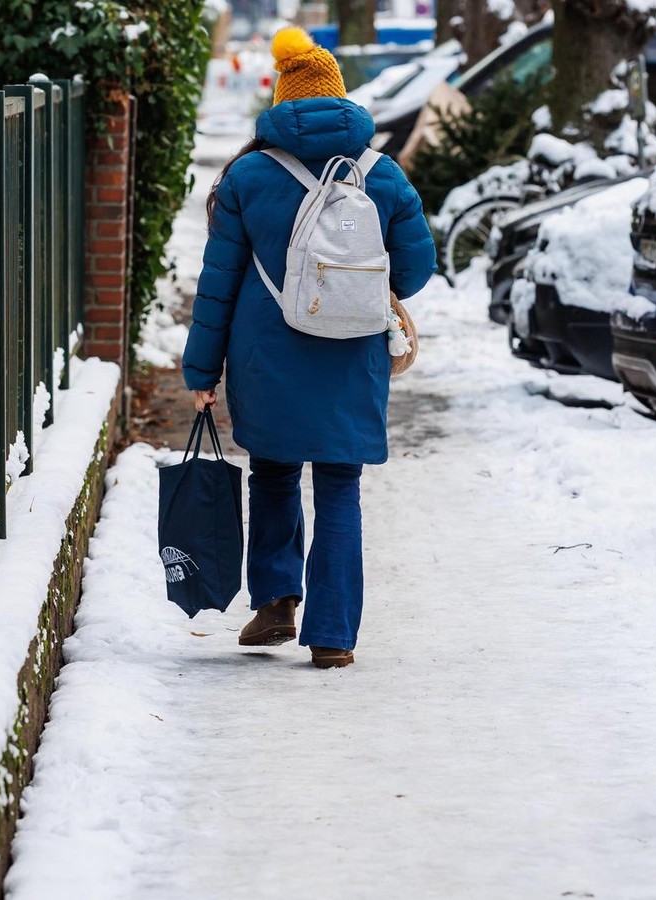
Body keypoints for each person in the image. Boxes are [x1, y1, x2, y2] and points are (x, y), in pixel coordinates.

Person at [182, 26, 436, 669]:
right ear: (342, 102)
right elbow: (415, 269)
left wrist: (202, 368)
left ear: (280, 101)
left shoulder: (247, 176)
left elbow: (218, 283)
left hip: (265, 354)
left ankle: (274, 603)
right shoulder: (383, 175)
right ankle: (333, 636)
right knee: (340, 486)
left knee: (272, 472)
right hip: (352, 352)